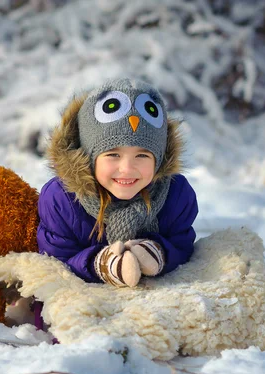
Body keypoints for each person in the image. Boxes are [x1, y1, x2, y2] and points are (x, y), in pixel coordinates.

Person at [37, 79, 198, 288]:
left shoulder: (175, 194)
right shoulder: (62, 198)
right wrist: (101, 264)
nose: (127, 168)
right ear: (87, 156)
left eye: (142, 155)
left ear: (158, 159)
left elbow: (182, 246)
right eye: (113, 154)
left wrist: (158, 253)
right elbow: (54, 262)